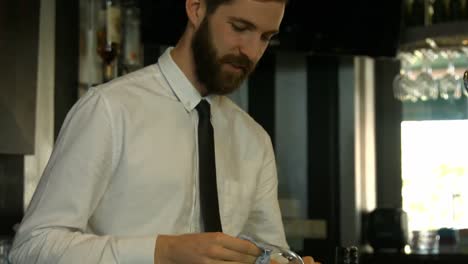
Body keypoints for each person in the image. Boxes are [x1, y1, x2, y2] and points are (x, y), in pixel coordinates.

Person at [9, 0, 319, 263]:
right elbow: (31, 247)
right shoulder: (110, 110)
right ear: (196, 8)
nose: (251, 52)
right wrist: (162, 251)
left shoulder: (254, 140)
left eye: (266, 37)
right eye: (240, 28)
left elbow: (267, 251)